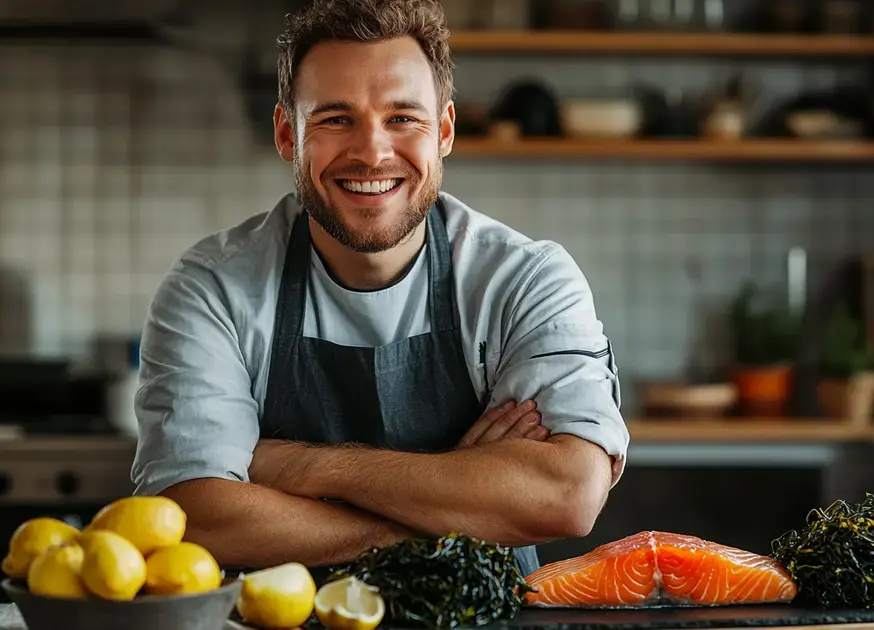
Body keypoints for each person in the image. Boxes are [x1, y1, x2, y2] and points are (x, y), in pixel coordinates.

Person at [129, 0, 628, 580]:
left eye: (402, 118)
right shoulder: (213, 288)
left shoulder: (525, 280)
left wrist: (311, 470)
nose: (371, 151)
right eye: (336, 118)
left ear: (443, 130)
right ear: (288, 134)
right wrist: (447, 512)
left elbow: (566, 494)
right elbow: (192, 516)